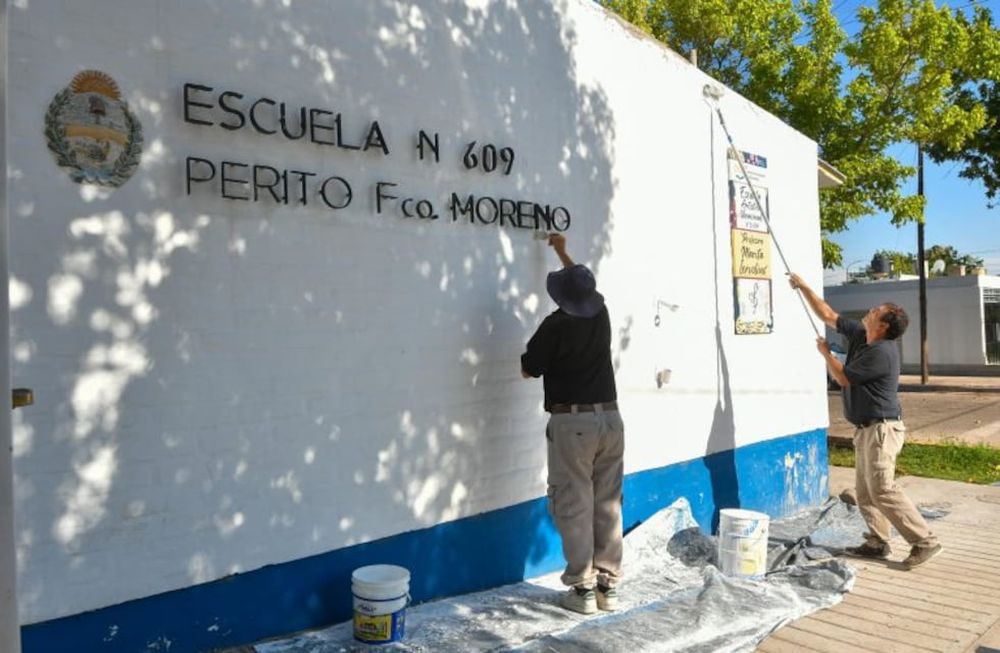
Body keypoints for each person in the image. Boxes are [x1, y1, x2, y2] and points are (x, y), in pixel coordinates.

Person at [788, 273, 943, 569]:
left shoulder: (881, 352)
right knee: (865, 491)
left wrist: (825, 354)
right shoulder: (862, 335)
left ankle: (925, 541)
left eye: (875, 312)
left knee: (882, 488)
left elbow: (843, 378)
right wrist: (804, 287)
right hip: (867, 429)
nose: (869, 312)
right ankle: (877, 542)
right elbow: (828, 315)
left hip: (882, 429)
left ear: (883, 325)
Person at [521, 234, 624, 614]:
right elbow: (581, 283)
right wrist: (564, 250)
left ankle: (581, 590)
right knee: (608, 502)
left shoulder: (555, 325)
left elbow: (527, 369)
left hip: (574, 423)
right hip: (611, 419)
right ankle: (607, 587)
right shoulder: (602, 314)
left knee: (575, 501)